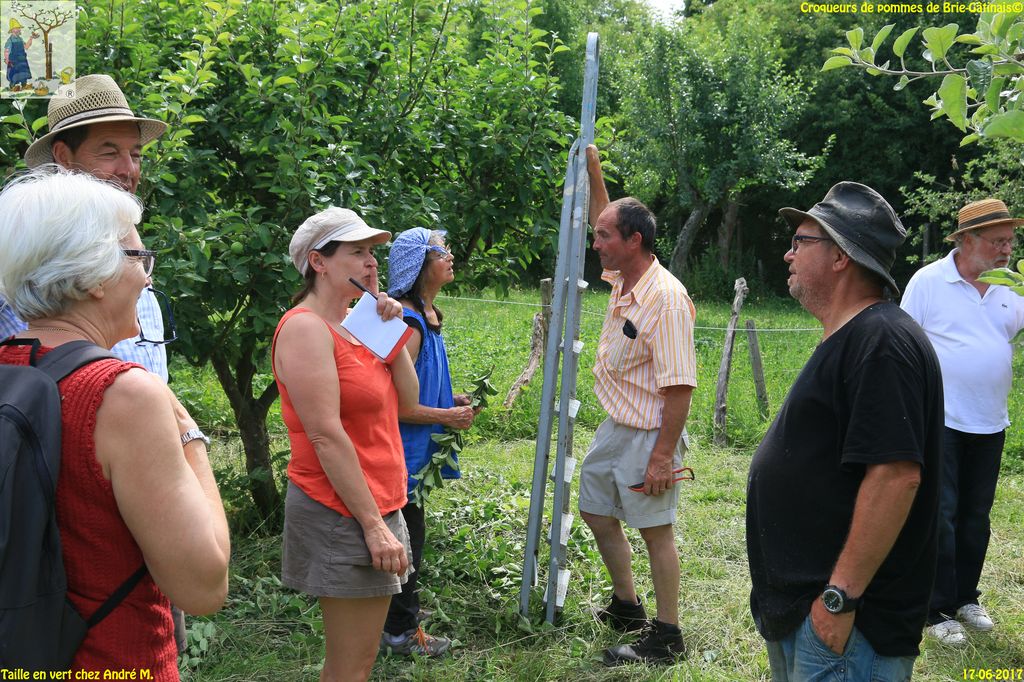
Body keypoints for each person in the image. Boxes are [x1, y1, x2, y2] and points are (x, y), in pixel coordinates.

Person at [0, 166, 230, 678]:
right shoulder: (121, 395)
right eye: (137, 257)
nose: (148, 277)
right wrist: (192, 439)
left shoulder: (8, 368)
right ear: (91, 277)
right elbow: (203, 587)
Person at [747, 182, 942, 681]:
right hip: (812, 614)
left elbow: (896, 476)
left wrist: (839, 599)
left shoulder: (882, 342)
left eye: (801, 241)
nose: (788, 253)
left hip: (848, 628)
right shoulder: (856, 335)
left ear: (840, 256)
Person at [272, 207, 419, 682]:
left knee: (360, 662)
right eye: (357, 252)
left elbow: (407, 401)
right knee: (350, 667)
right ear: (319, 262)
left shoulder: (357, 324)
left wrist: (389, 325)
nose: (372, 262)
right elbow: (324, 434)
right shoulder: (305, 328)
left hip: (377, 501)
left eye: (372, 252)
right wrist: (374, 527)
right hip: (343, 510)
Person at [579, 145, 696, 666]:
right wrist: (594, 172)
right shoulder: (625, 276)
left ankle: (667, 635)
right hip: (618, 424)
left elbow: (680, 387)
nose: (595, 242)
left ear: (634, 241)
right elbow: (602, 215)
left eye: (604, 236)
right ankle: (627, 606)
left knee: (654, 530)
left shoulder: (664, 299)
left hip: (651, 432)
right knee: (594, 507)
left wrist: (661, 458)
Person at [900, 198, 1024, 645]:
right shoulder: (929, 282)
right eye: (998, 241)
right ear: (968, 240)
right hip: (941, 420)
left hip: (990, 420)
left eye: (1010, 240)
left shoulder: (1011, 287)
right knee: (942, 514)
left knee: (976, 516)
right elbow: (902, 344)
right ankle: (935, 609)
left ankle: (966, 597)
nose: (1007, 249)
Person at [3, 74, 170, 383]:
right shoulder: (26, 257)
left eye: (135, 154)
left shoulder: (133, 257)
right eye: (109, 153)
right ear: (64, 157)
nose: (129, 170)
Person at [378, 228, 476, 657]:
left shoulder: (427, 316)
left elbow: (416, 386)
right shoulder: (409, 323)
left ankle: (398, 613)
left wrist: (448, 399)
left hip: (414, 452)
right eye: (441, 251)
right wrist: (447, 416)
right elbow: (396, 406)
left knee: (408, 534)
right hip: (400, 452)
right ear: (419, 264)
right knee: (406, 539)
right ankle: (399, 632)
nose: (450, 257)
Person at [3, 18, 35, 91]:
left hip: (22, 60)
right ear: (12, 30)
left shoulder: (20, 39)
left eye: (19, 28)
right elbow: (6, 51)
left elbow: (26, 47)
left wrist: (31, 38)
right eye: (17, 28)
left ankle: (24, 85)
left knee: (24, 73)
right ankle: (12, 87)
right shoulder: (10, 40)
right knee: (13, 74)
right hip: (14, 61)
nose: (19, 30)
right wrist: (7, 60)